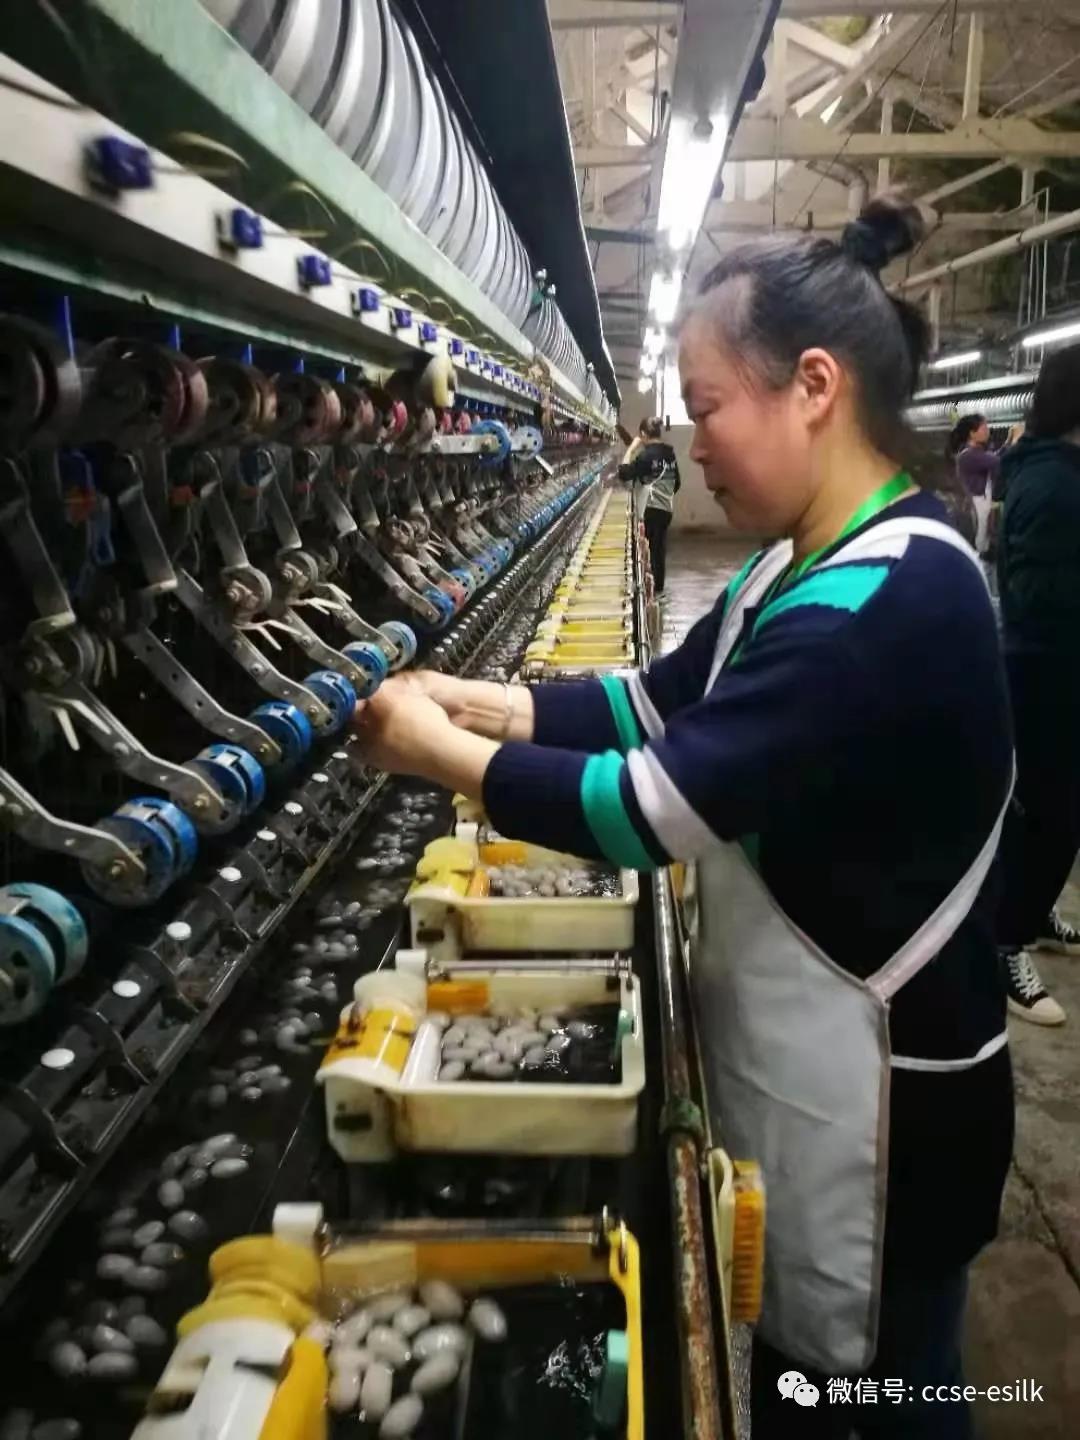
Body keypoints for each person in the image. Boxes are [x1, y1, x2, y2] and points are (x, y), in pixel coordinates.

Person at [354, 194, 1014, 1439]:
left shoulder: (887, 599)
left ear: (812, 387)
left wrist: (434, 753)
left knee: (885, 1399)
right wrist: (479, 702)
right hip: (819, 1074)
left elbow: (653, 808)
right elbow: (651, 705)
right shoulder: (794, 564)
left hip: (888, 1110)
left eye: (706, 407)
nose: (687, 442)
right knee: (811, 1386)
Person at [994, 343, 1080, 1025]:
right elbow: (1034, 594)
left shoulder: (1051, 471)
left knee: (1048, 815)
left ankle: (1034, 910)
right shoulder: (1054, 484)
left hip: (1050, 668)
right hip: (1049, 673)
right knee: (1053, 815)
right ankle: (1005, 942)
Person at [618, 416, 681, 592]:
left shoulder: (646, 456)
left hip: (651, 509)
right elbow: (677, 483)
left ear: (643, 434)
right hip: (666, 510)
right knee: (659, 551)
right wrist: (664, 495)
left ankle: (649, 591)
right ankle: (658, 588)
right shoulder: (670, 455)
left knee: (648, 553)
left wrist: (631, 448)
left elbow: (624, 473)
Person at [948, 413, 999, 555]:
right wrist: (1014, 440)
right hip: (977, 502)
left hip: (981, 500)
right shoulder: (969, 455)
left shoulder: (976, 452)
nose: (987, 431)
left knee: (983, 535)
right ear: (972, 433)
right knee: (980, 538)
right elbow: (997, 461)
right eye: (984, 428)